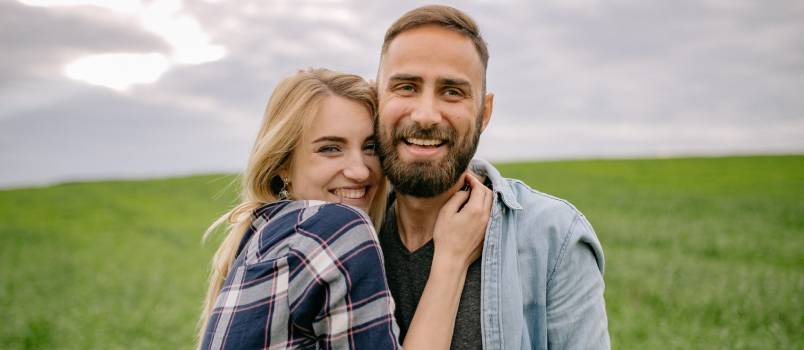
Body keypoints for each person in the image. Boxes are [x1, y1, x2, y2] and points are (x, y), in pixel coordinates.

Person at [197, 68, 492, 349]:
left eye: (371, 147)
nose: (360, 172)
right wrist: (451, 260)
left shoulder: (262, 236)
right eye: (330, 149)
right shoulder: (337, 226)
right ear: (282, 165)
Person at [374, 5, 610, 349]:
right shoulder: (349, 234)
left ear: (484, 113)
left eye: (452, 91)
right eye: (406, 87)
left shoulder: (554, 239)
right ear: (376, 99)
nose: (425, 116)